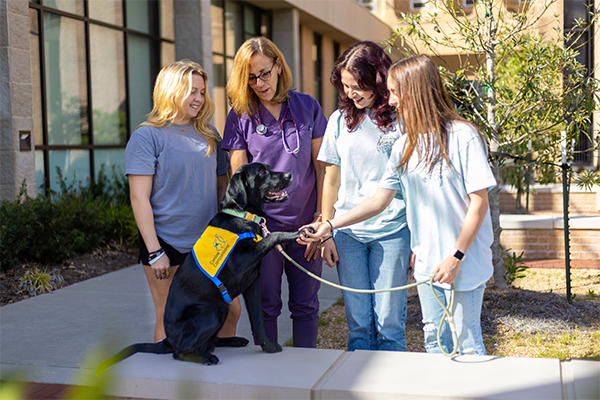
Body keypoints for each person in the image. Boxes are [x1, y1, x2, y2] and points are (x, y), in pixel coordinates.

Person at [300, 54, 496, 355]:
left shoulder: (462, 136)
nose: (389, 100)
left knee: (466, 345)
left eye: (394, 92)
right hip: (430, 266)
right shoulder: (405, 145)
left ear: (415, 91)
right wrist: (329, 224)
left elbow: (479, 204)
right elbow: (378, 200)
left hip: (462, 262)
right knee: (435, 342)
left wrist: (456, 256)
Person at [222, 37, 326, 348]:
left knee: (306, 305)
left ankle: (305, 375)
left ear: (278, 66)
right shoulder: (241, 116)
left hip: (306, 225)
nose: (259, 83)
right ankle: (265, 379)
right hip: (262, 232)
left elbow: (323, 169)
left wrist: (322, 218)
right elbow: (239, 179)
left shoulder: (307, 107)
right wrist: (255, 224)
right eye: (251, 77)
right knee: (265, 304)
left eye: (264, 73)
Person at [125, 59, 234, 342]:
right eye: (191, 91)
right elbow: (139, 197)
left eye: (201, 91)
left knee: (229, 309)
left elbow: (223, 188)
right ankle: (166, 384)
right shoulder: (147, 136)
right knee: (169, 315)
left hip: (208, 244)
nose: (198, 98)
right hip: (166, 243)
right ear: (171, 90)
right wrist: (154, 251)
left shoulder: (210, 134)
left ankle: (218, 374)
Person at [318, 41, 410, 351]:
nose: (351, 93)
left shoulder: (401, 121)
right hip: (347, 234)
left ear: (379, 80)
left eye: (358, 86)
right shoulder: (339, 120)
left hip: (393, 231)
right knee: (358, 325)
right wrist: (327, 232)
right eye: (345, 86)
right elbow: (331, 178)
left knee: (390, 324)